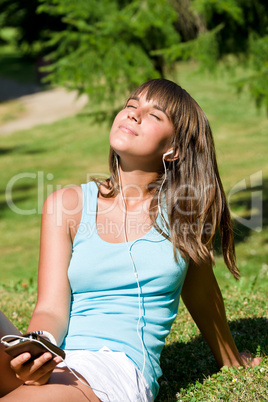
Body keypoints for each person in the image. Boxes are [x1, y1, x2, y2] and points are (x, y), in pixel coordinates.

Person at [0, 79, 261, 401]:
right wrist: (38, 346)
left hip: (114, 369)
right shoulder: (65, 205)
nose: (134, 115)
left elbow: (203, 293)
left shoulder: (183, 215)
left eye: (155, 115)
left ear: (174, 148)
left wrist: (231, 361)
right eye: (131, 105)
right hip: (57, 361)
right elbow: (51, 306)